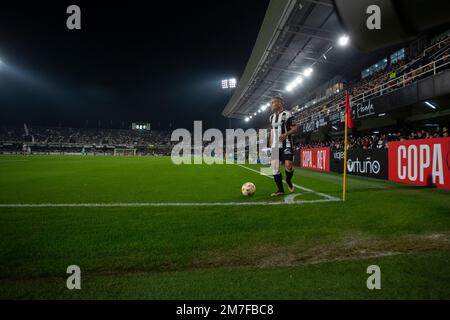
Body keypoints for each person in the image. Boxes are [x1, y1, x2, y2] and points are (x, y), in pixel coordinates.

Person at [268, 96, 298, 197]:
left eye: (273, 103)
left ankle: (288, 180)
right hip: (275, 146)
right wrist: (270, 144)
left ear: (279, 103)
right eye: (271, 103)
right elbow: (272, 131)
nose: (271, 105)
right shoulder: (271, 117)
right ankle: (280, 190)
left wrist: (285, 134)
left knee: (288, 165)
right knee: (275, 168)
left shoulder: (288, 114)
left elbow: (294, 129)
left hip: (287, 144)